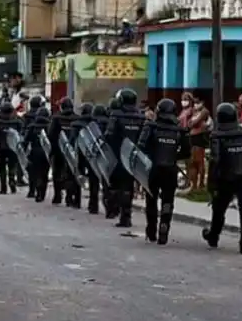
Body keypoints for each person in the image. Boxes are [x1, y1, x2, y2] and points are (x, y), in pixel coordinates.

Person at [203, 103, 242, 253]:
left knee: (219, 209)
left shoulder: (217, 136)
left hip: (225, 178)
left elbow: (215, 161)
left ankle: (214, 235)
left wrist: (211, 184)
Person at [136, 98, 190, 244]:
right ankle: (164, 228)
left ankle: (152, 230)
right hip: (171, 169)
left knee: (151, 200)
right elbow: (186, 152)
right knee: (168, 200)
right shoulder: (180, 131)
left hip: (153, 169)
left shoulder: (150, 127)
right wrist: (173, 156)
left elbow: (141, 147)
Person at [104, 89, 147, 228]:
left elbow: (109, 135)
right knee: (128, 187)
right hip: (133, 157)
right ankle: (126, 216)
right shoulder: (141, 116)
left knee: (114, 185)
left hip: (116, 156)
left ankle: (114, 209)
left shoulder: (115, 115)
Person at [47, 98, 79, 207]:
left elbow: (51, 134)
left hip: (58, 150)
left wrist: (52, 148)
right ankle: (69, 197)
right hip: (72, 151)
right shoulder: (76, 118)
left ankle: (57, 196)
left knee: (57, 173)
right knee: (71, 174)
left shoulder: (56, 118)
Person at [0, 101, 22, 195]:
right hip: (13, 148)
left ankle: (3, 187)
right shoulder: (17, 121)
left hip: (1, 148)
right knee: (12, 166)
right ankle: (12, 181)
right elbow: (21, 135)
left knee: (2, 168)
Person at [68, 103, 95, 212]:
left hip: (80, 153)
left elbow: (72, 139)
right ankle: (93, 205)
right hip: (92, 154)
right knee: (94, 179)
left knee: (78, 176)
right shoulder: (94, 123)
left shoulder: (76, 124)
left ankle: (77, 201)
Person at [24, 107, 52, 203]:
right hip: (46, 153)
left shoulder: (32, 126)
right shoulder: (49, 126)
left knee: (34, 173)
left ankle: (33, 190)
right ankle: (42, 193)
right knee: (44, 173)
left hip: (34, 152)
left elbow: (26, 140)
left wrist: (24, 152)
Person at [187, 95, 210, 192]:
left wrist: (193, 124)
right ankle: (194, 185)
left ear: (202, 102)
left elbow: (195, 123)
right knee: (192, 161)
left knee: (199, 161)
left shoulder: (204, 111)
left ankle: (201, 184)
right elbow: (189, 124)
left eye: (197, 102)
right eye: (194, 103)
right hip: (192, 137)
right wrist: (192, 124)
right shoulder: (194, 111)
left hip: (200, 137)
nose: (195, 105)